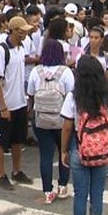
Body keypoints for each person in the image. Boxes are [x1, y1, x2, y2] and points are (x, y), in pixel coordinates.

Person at [61, 55, 108, 215]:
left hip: (80, 148)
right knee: (97, 194)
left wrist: (63, 150)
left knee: (80, 194)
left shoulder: (73, 97)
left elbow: (67, 126)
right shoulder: (106, 96)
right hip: (102, 149)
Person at [27, 40, 75, 204]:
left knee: (45, 155)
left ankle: (47, 190)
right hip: (61, 119)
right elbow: (71, 96)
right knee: (64, 152)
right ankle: (62, 186)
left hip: (41, 119)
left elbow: (31, 94)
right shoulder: (66, 72)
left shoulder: (36, 71)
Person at [0, 16, 35, 190]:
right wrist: (3, 106)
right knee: (1, 141)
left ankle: (17, 171)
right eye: (21, 31)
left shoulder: (21, 48)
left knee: (18, 139)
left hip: (19, 102)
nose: (24, 34)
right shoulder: (2, 50)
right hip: (5, 104)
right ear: (13, 30)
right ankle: (1, 174)